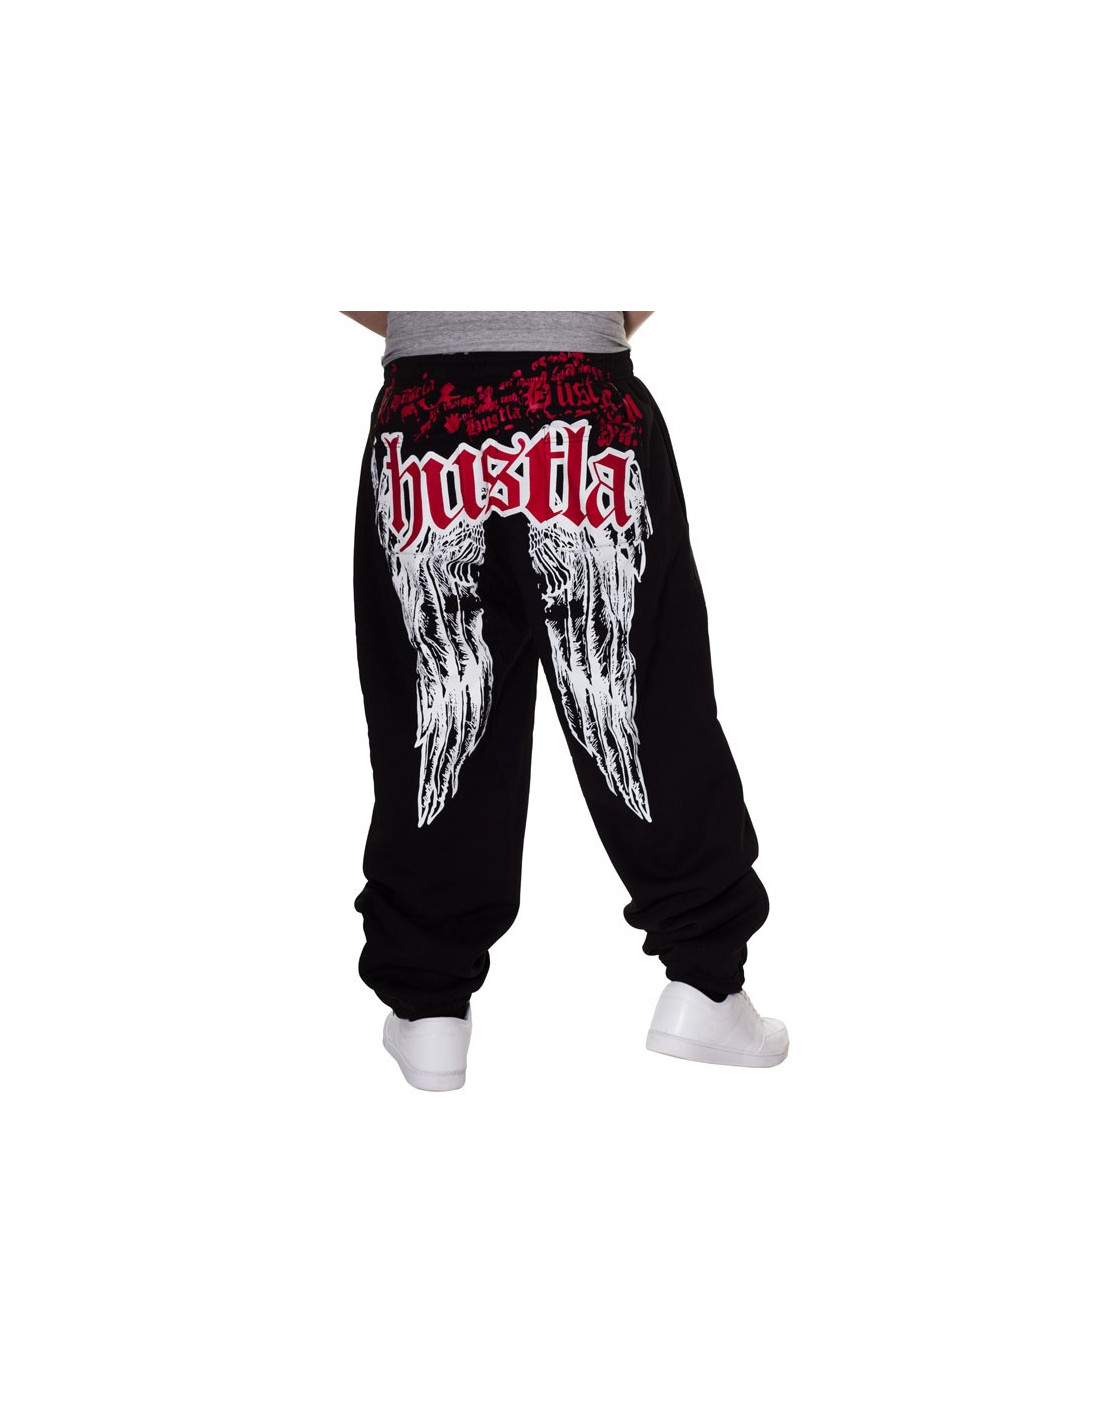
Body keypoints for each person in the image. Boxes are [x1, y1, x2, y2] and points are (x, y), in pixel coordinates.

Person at [340, 311, 789, 1090]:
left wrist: (434, 315)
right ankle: (704, 985)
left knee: (440, 704)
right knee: (643, 699)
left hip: (423, 414)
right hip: (583, 398)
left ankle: (429, 1008)